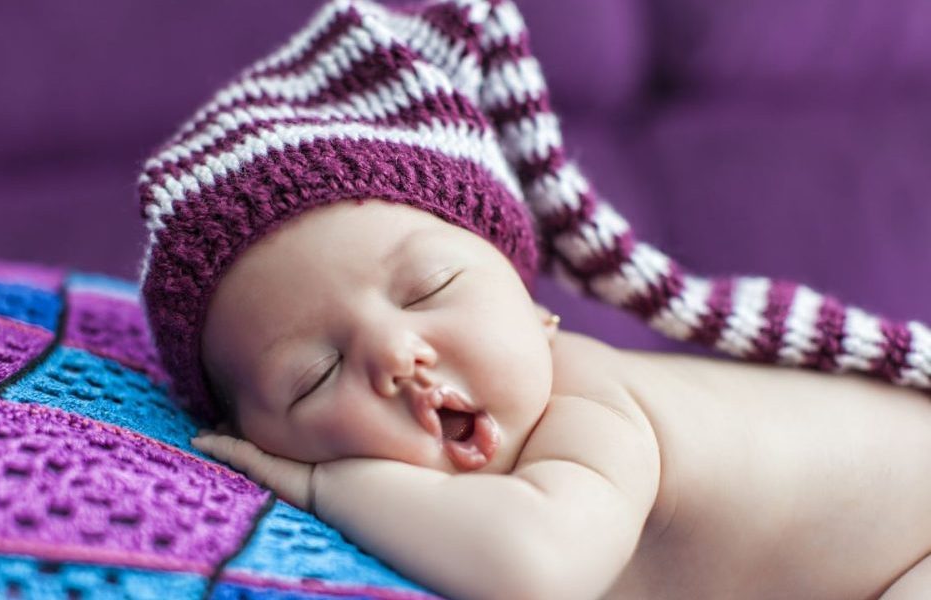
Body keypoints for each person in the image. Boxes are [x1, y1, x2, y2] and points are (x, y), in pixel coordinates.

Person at [135, 0, 931, 597]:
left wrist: (323, 488)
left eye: (431, 289)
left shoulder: (591, 409)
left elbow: (534, 570)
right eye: (315, 375)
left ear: (533, 307)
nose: (394, 354)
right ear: (250, 433)